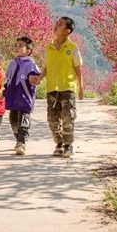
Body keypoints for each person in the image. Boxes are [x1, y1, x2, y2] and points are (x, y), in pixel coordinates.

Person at [31, 17, 84, 158]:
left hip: (68, 87)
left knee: (68, 117)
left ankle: (68, 145)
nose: (56, 25)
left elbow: (78, 68)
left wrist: (81, 87)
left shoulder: (73, 48)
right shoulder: (49, 48)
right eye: (57, 23)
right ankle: (59, 144)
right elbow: (46, 68)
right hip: (52, 88)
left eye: (60, 24)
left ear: (67, 31)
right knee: (53, 119)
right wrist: (39, 78)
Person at [4, 36, 41, 156]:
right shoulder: (12, 63)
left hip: (24, 97)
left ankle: (22, 141)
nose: (17, 47)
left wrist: (33, 78)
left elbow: (34, 75)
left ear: (28, 51)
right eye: (16, 45)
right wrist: (4, 90)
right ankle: (17, 137)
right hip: (13, 97)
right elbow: (7, 79)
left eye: (21, 45)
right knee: (13, 120)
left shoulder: (30, 64)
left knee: (23, 120)